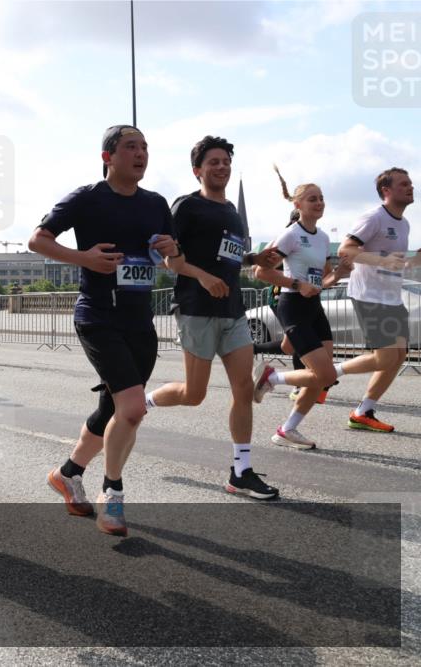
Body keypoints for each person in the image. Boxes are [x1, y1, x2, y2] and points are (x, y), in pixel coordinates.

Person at [28, 124, 185, 536]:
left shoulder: (156, 203)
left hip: (139, 322)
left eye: (145, 147)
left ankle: (67, 473)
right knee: (132, 408)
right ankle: (111, 494)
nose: (141, 153)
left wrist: (172, 254)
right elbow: (38, 240)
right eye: (131, 147)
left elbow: (171, 260)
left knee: (115, 409)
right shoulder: (87, 198)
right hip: (98, 316)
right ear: (108, 157)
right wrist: (83, 258)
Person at [144, 136, 281, 496]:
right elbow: (167, 258)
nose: (221, 167)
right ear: (198, 170)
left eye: (225, 162)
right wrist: (203, 277)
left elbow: (232, 259)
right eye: (213, 162)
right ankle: (141, 403)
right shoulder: (186, 207)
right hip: (196, 308)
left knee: (243, 388)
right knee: (194, 394)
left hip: (233, 310)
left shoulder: (232, 213)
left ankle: (242, 470)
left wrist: (255, 261)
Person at [252, 168, 351, 449]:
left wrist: (340, 273)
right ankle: (273, 378)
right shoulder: (290, 235)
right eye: (312, 199)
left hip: (314, 306)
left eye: (321, 198)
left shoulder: (321, 238)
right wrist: (297, 284)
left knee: (322, 379)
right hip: (292, 305)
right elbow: (261, 272)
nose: (319, 203)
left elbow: (325, 280)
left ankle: (287, 429)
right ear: (298, 205)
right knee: (326, 374)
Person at [334, 168, 416, 432]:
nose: (411, 187)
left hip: (391, 297)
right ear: (386, 191)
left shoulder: (404, 223)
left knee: (399, 355)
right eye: (404, 184)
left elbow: (400, 263)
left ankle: (363, 411)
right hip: (369, 295)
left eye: (411, 183)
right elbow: (345, 250)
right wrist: (382, 261)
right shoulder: (374, 217)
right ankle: (327, 374)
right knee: (385, 357)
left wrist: (412, 262)